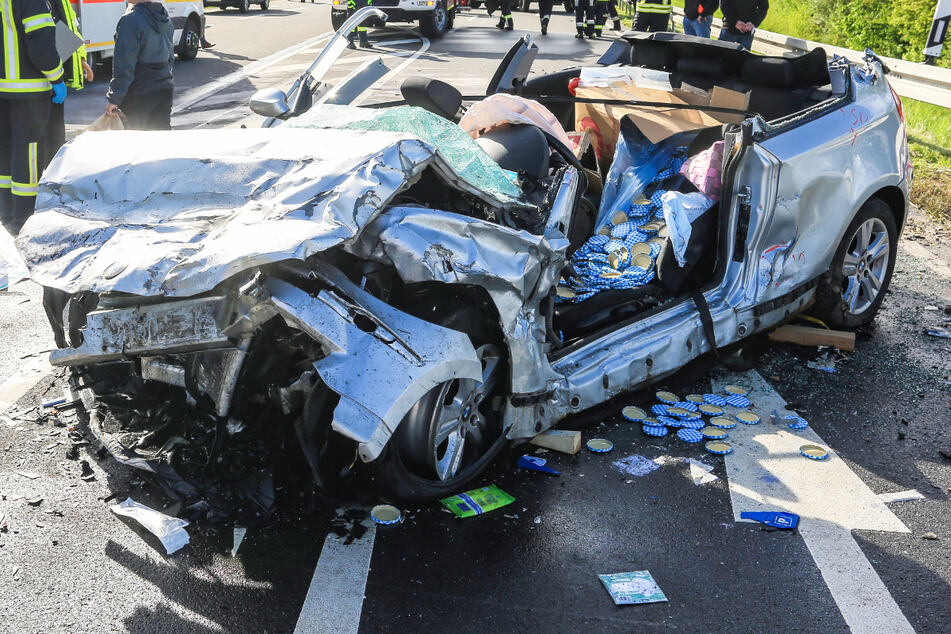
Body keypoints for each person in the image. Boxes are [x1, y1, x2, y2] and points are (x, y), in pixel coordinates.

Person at [0, 0, 64, 234]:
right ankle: (24, 219)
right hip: (28, 91)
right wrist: (57, 77)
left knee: (5, 152)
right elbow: (41, 45)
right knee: (28, 154)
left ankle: (6, 213)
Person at [105, 0, 174, 130]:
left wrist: (114, 98)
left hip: (139, 91)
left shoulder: (130, 20)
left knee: (136, 143)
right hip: (164, 88)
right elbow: (170, 57)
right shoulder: (165, 18)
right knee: (161, 142)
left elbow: (125, 63)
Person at [44, 0, 94, 168]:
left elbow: (66, 27)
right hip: (42, 80)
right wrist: (54, 77)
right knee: (44, 140)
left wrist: (79, 60)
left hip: (56, 75)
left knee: (55, 138)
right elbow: (42, 38)